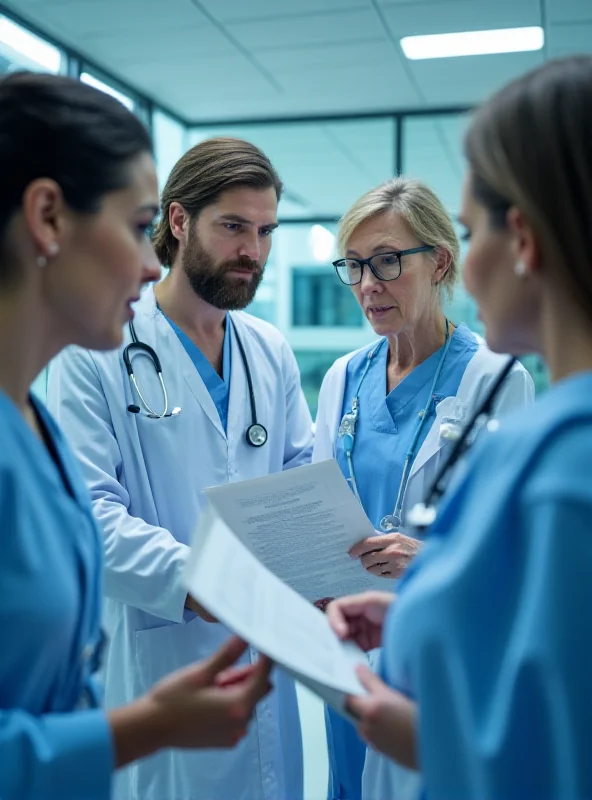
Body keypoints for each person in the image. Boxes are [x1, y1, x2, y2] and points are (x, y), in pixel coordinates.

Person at [0, 71, 273, 800]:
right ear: (49, 216)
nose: (153, 262)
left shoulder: (32, 429)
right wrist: (142, 727)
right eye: (135, 224)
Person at [327, 55, 592, 799]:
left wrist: (424, 737)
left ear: (526, 239)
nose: (467, 266)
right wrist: (420, 607)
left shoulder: (559, 463)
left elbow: (558, 749)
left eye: (471, 232)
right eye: (355, 266)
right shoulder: (557, 448)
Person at [47, 136, 313, 800]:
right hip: (160, 659)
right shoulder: (97, 350)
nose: (253, 250)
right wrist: (213, 582)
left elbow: (300, 477)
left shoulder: (268, 350)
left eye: (265, 231)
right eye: (233, 227)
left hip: (264, 661)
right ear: (177, 221)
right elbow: (91, 521)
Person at [313, 176, 533, 800]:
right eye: (353, 266)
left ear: (439, 261)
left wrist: (428, 561)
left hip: (441, 650)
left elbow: (517, 552)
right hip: (348, 651)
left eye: (385, 261)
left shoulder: (497, 379)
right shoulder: (341, 378)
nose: (367, 285)